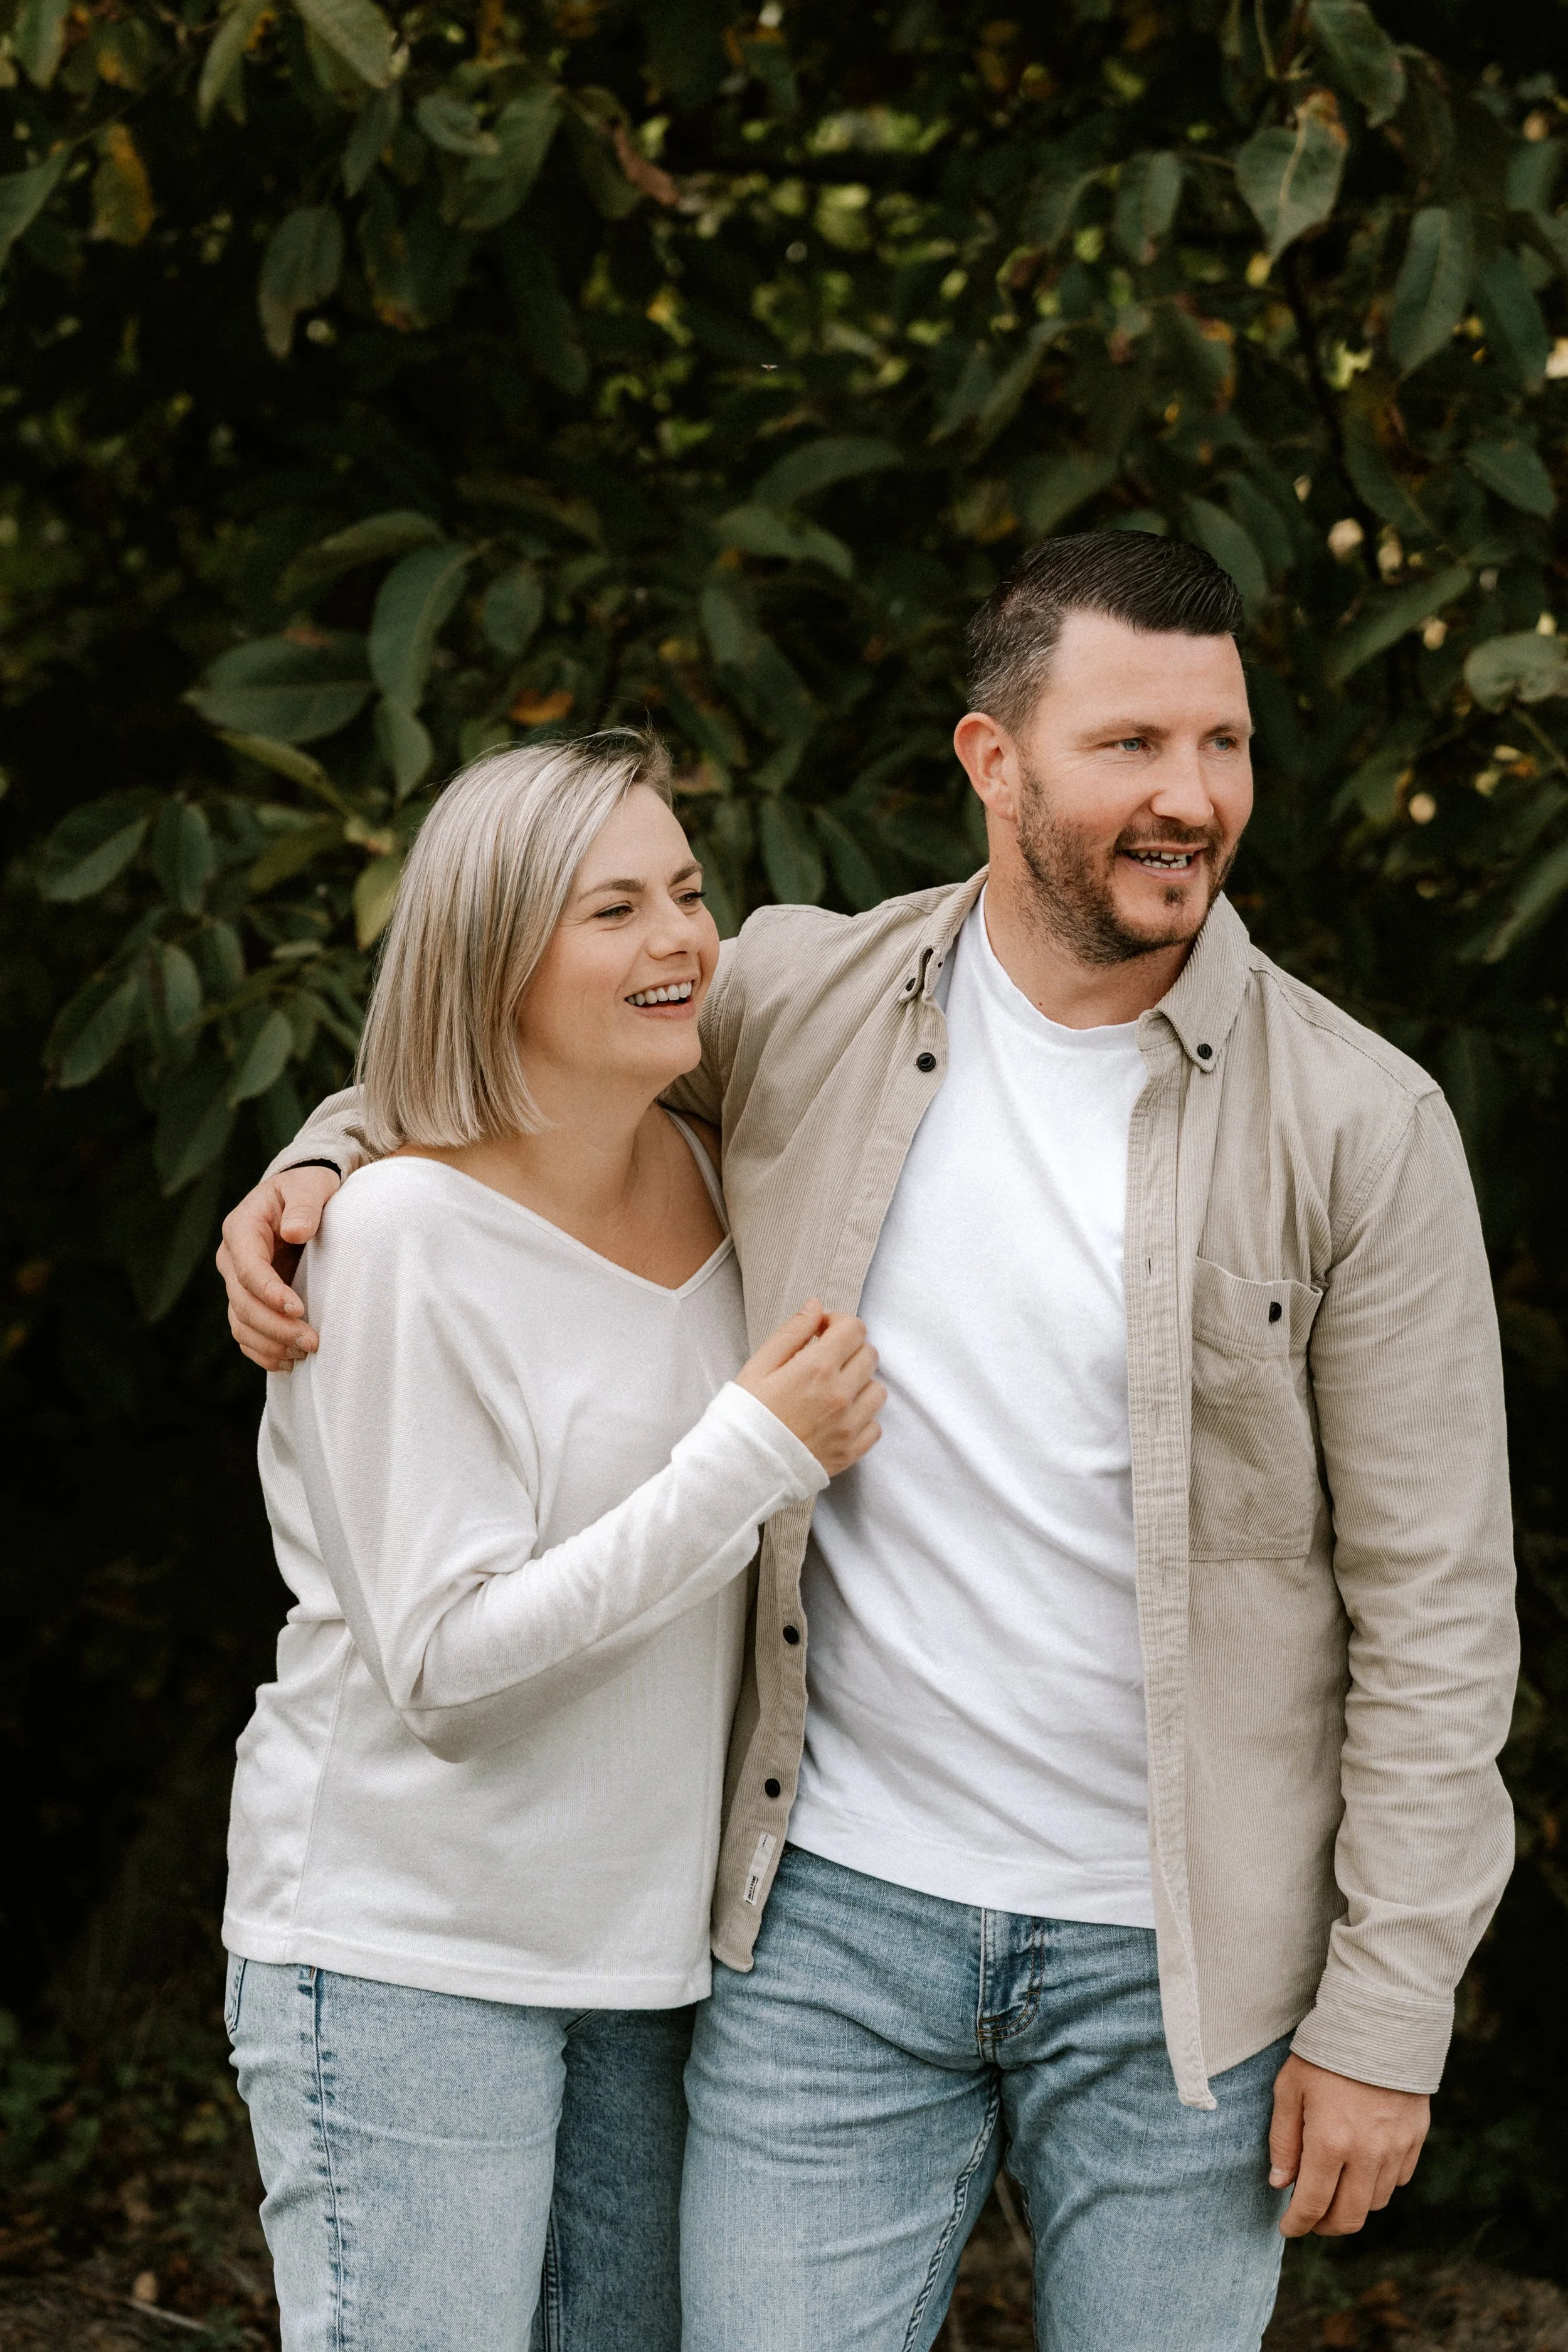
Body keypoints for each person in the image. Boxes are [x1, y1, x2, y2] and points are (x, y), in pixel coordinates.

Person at [220, 534, 1518, 2352]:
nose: (1188, 797)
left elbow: (1439, 1606)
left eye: (1220, 744)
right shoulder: (803, 998)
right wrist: (325, 1158)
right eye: (1129, 744)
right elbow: (520, 1040)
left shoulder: (1358, 1121)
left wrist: (1385, 2010)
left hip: (1181, 1968)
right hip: (824, 1928)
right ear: (993, 762)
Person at [219, 730, 884, 2352]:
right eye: (613, 909)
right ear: (494, 956)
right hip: (405, 1946)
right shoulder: (394, 1233)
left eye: (686, 891)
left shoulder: (723, 1177)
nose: (679, 940)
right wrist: (747, 1453)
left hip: (645, 1957)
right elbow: (447, 1670)